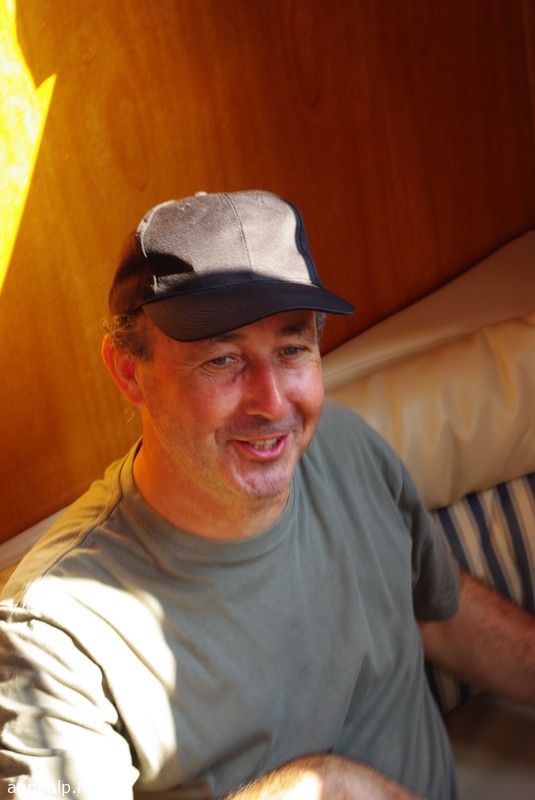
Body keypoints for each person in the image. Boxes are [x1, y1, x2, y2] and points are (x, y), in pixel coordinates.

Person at [0, 190, 534, 800]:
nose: (273, 403)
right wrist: (319, 786)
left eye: (292, 349)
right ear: (129, 370)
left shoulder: (342, 445)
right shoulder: (51, 636)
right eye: (223, 360)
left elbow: (438, 614)